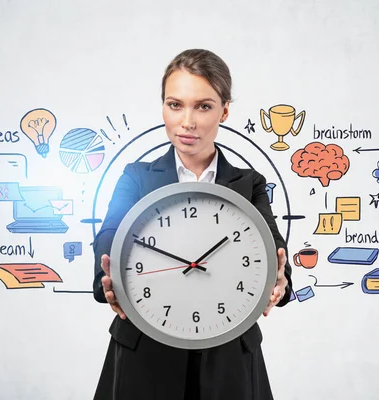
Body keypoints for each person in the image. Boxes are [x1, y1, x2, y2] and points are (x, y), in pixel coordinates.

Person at [92, 49, 293, 400]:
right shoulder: (137, 177)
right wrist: (109, 277)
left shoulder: (249, 183)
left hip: (228, 354)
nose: (187, 121)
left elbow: (271, 244)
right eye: (175, 105)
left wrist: (281, 274)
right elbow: (110, 233)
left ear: (224, 111)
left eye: (203, 106)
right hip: (145, 352)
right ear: (164, 108)